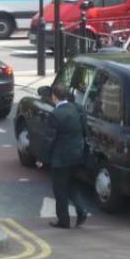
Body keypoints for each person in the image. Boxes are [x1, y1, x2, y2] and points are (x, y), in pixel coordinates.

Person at [46, 83, 88, 229]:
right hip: (77, 155)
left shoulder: (55, 115)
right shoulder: (77, 109)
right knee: (72, 185)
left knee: (60, 190)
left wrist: (44, 159)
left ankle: (63, 221)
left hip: (60, 159)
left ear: (54, 97)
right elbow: (84, 130)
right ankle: (81, 210)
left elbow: (50, 140)